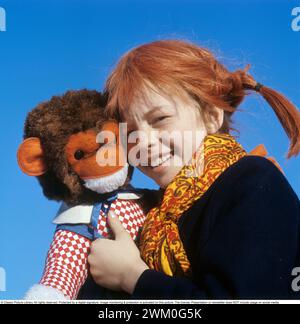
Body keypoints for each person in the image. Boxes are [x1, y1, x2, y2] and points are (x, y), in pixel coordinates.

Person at [87, 40, 300, 299]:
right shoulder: (149, 219)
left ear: (211, 115)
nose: (143, 141)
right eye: (130, 131)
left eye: (160, 119)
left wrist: (133, 277)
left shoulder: (252, 182)